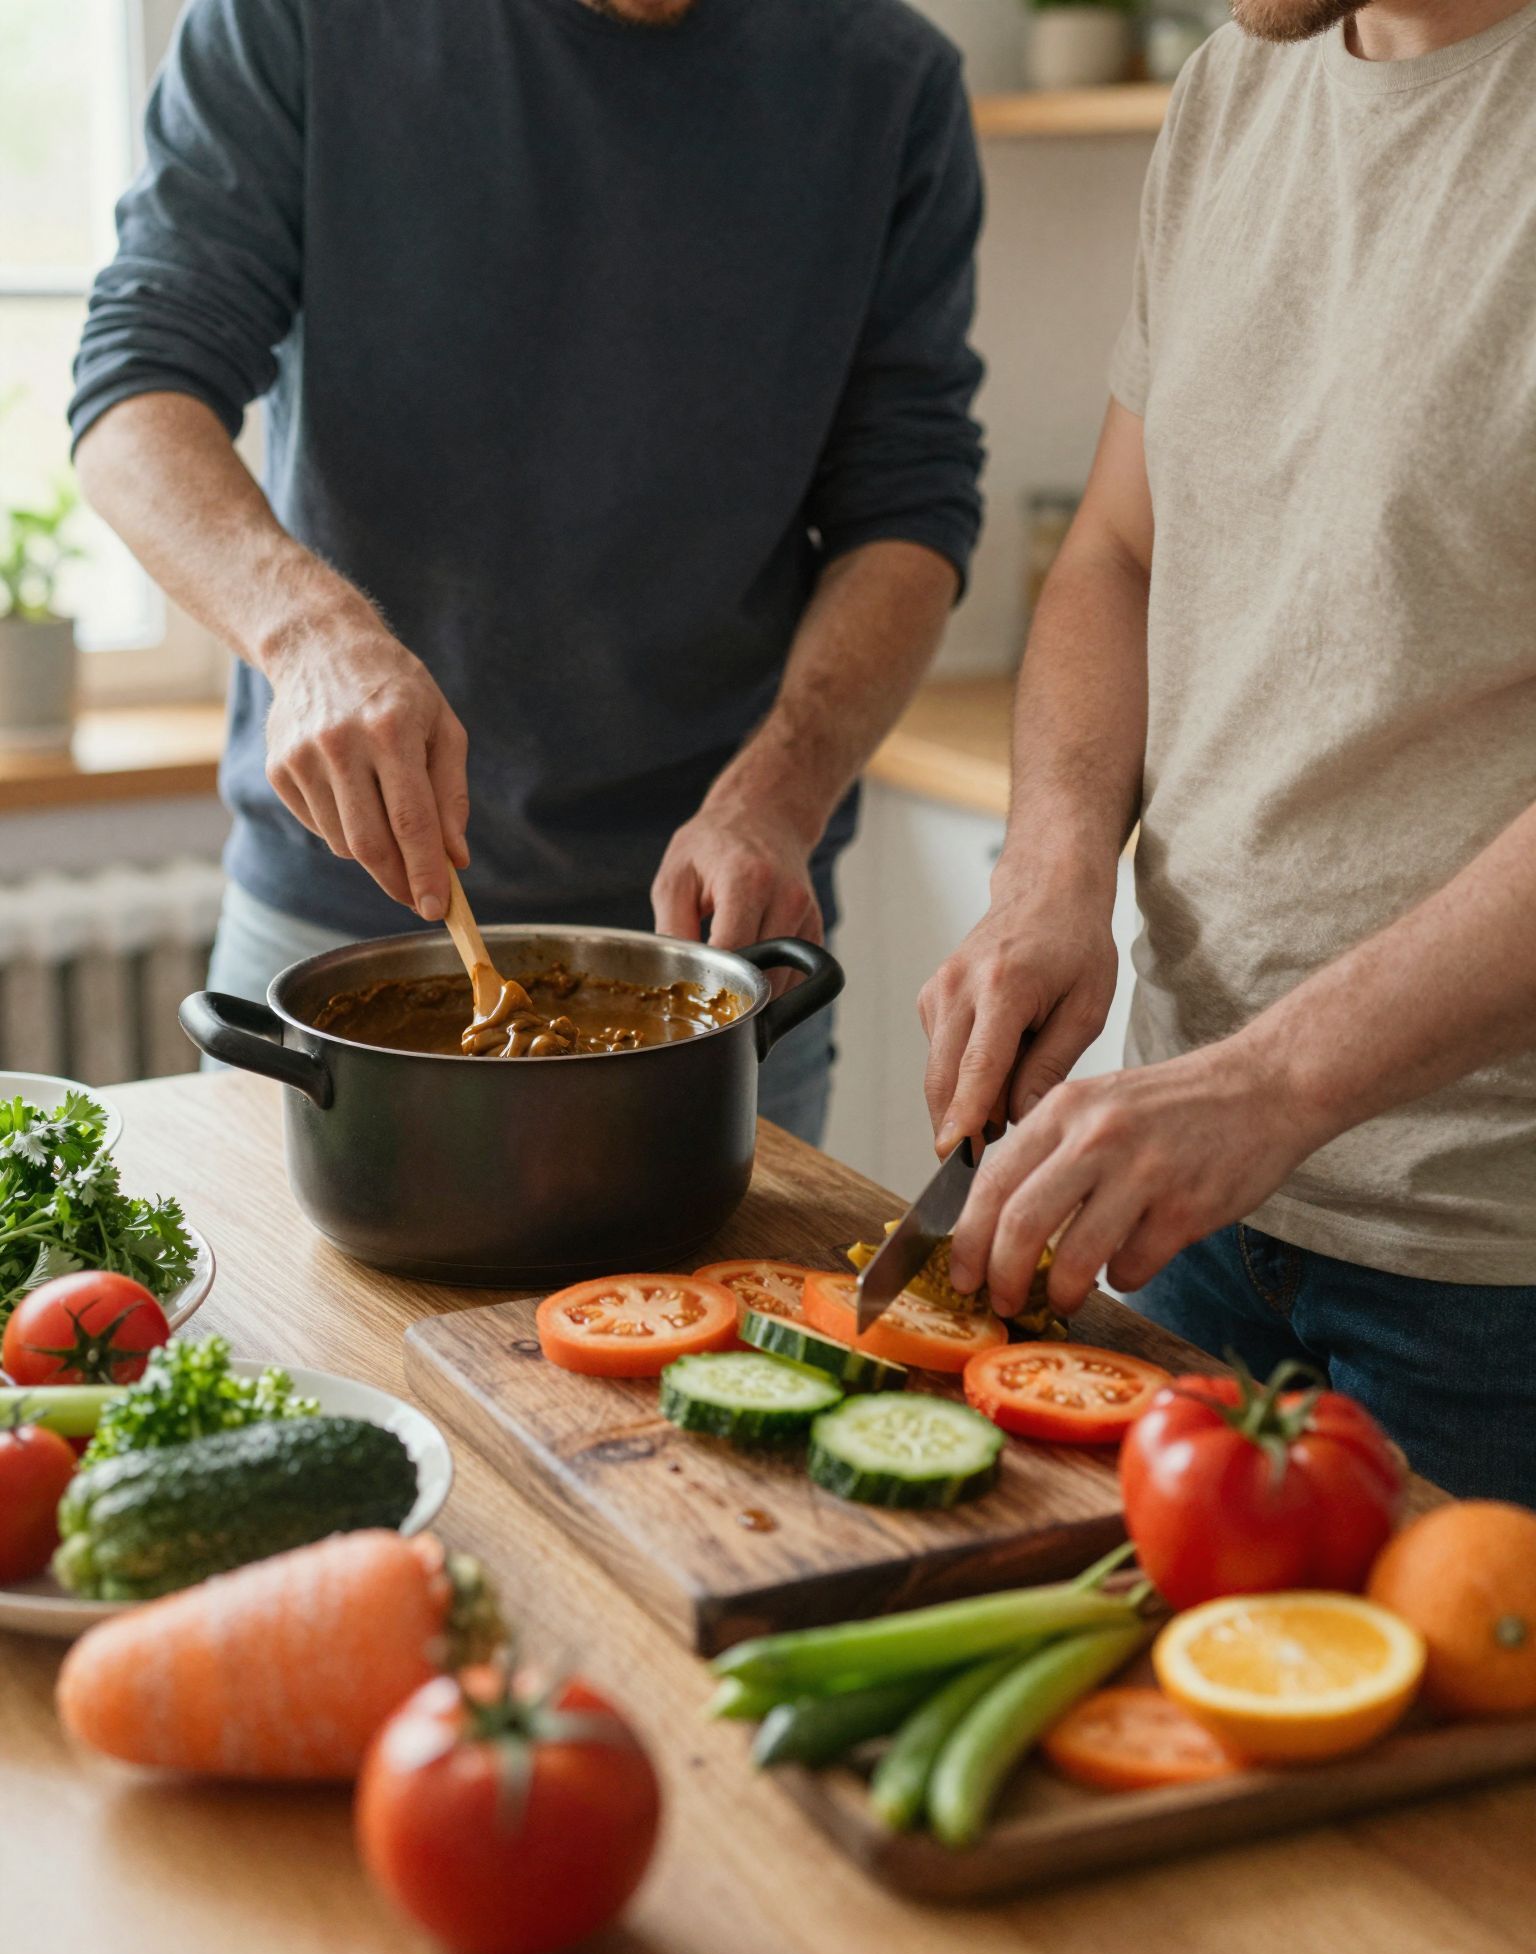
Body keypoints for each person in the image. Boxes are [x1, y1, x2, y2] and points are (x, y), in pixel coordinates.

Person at [71, 0, 985, 1144]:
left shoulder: (889, 80)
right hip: (332, 924)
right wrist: (307, 634)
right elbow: (135, 388)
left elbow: (907, 503)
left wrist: (779, 794)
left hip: (721, 950)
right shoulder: (296, 18)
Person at [919, 0, 1536, 1502]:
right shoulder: (1232, 88)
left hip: (1487, 1282)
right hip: (1176, 1212)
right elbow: (1121, 551)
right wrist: (1053, 873)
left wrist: (1269, 1088)